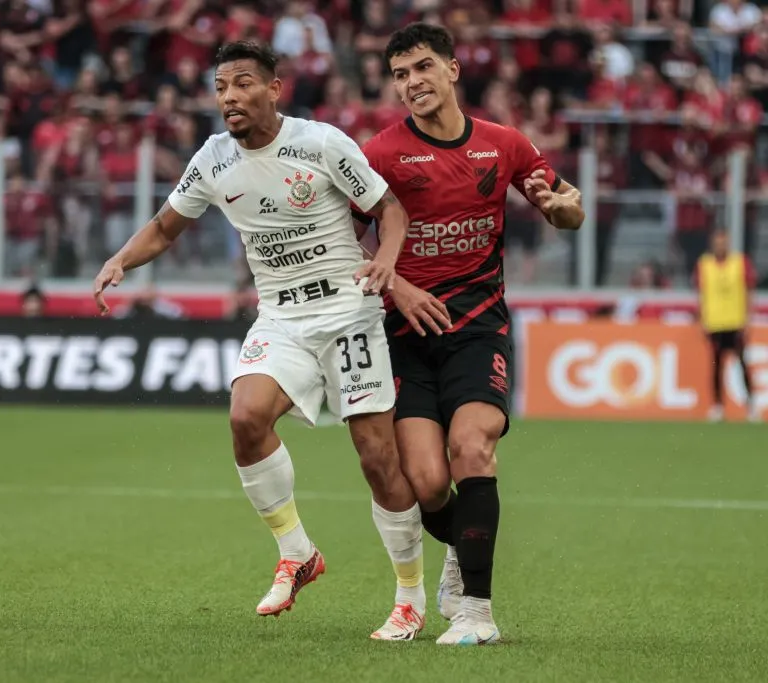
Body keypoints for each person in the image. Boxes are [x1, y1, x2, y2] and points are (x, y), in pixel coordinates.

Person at [93, 40, 451, 641]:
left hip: (349, 313)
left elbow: (390, 210)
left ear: (273, 88)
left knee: (377, 458)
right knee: (246, 417)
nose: (229, 97)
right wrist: (120, 260)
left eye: (241, 84)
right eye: (220, 87)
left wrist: (387, 264)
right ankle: (298, 553)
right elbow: (165, 226)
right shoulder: (211, 160)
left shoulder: (322, 143)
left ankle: (409, 598)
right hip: (281, 317)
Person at [354, 23, 585, 646]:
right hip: (403, 335)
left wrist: (559, 206)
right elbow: (343, 231)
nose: (412, 83)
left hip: (479, 327)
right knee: (427, 483)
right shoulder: (378, 155)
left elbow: (570, 208)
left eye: (423, 68)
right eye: (401, 74)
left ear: (454, 70)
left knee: (473, 447)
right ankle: (464, 548)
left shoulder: (503, 144)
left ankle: (477, 613)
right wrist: (393, 283)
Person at [695, 228, 759, 422]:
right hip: (714, 322)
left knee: (742, 364)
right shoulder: (704, 264)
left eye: (723, 242)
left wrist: (748, 318)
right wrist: (702, 320)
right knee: (716, 365)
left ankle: (751, 406)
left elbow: (748, 291)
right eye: (717, 242)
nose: (720, 246)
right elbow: (701, 293)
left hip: (735, 321)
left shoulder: (739, 262)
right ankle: (717, 406)